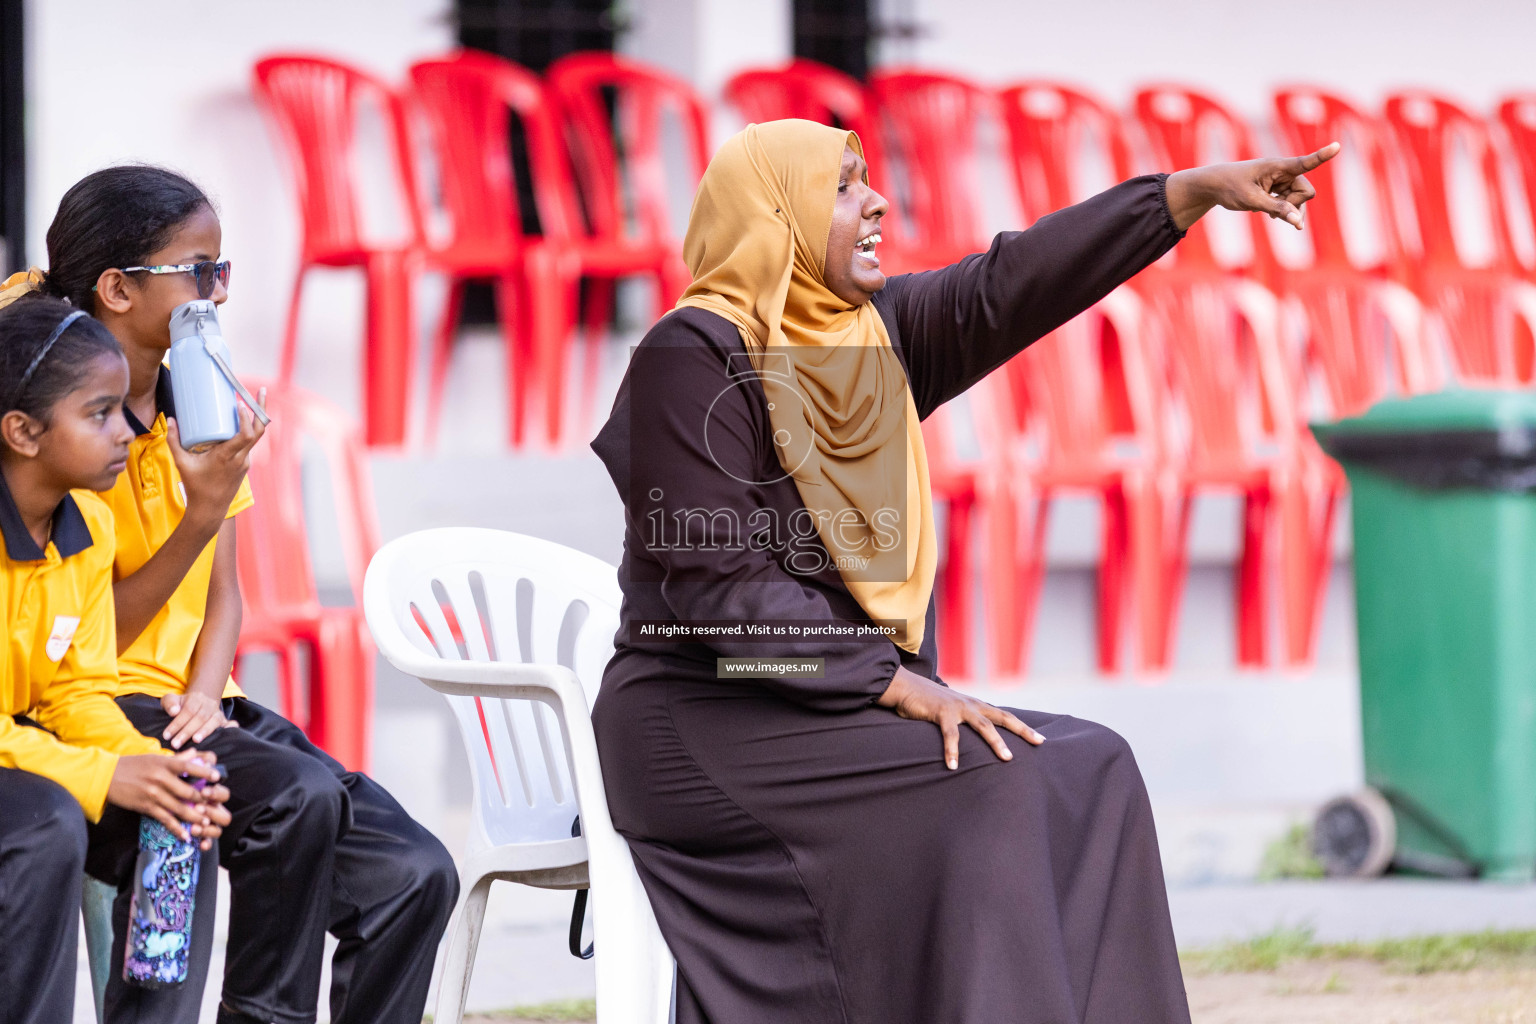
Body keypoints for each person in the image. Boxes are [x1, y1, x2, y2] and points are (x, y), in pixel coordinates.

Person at [590, 118, 1339, 1023]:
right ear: (772, 214)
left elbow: (1010, 283)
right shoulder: (690, 356)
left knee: (1093, 765)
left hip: (839, 703)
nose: (876, 203)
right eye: (842, 187)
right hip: (709, 712)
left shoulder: (870, 342)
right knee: (995, 776)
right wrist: (892, 683)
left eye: (868, 181)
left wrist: (1184, 194)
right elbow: (717, 585)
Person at [29, 165, 459, 1024]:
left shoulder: (200, 391)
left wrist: (203, 692)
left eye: (221, 272)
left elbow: (225, 593)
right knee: (290, 799)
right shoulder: (64, 423)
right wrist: (204, 508)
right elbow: (85, 641)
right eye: (198, 272)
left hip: (193, 700)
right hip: (98, 703)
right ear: (117, 289)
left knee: (416, 873)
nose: (214, 296)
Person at [0, 294, 231, 1024]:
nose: (127, 433)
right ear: (24, 433)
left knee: (178, 812)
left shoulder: (87, 525)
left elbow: (78, 694)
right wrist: (105, 775)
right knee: (48, 821)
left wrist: (152, 770)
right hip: (22, 776)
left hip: (24, 756)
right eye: (99, 415)